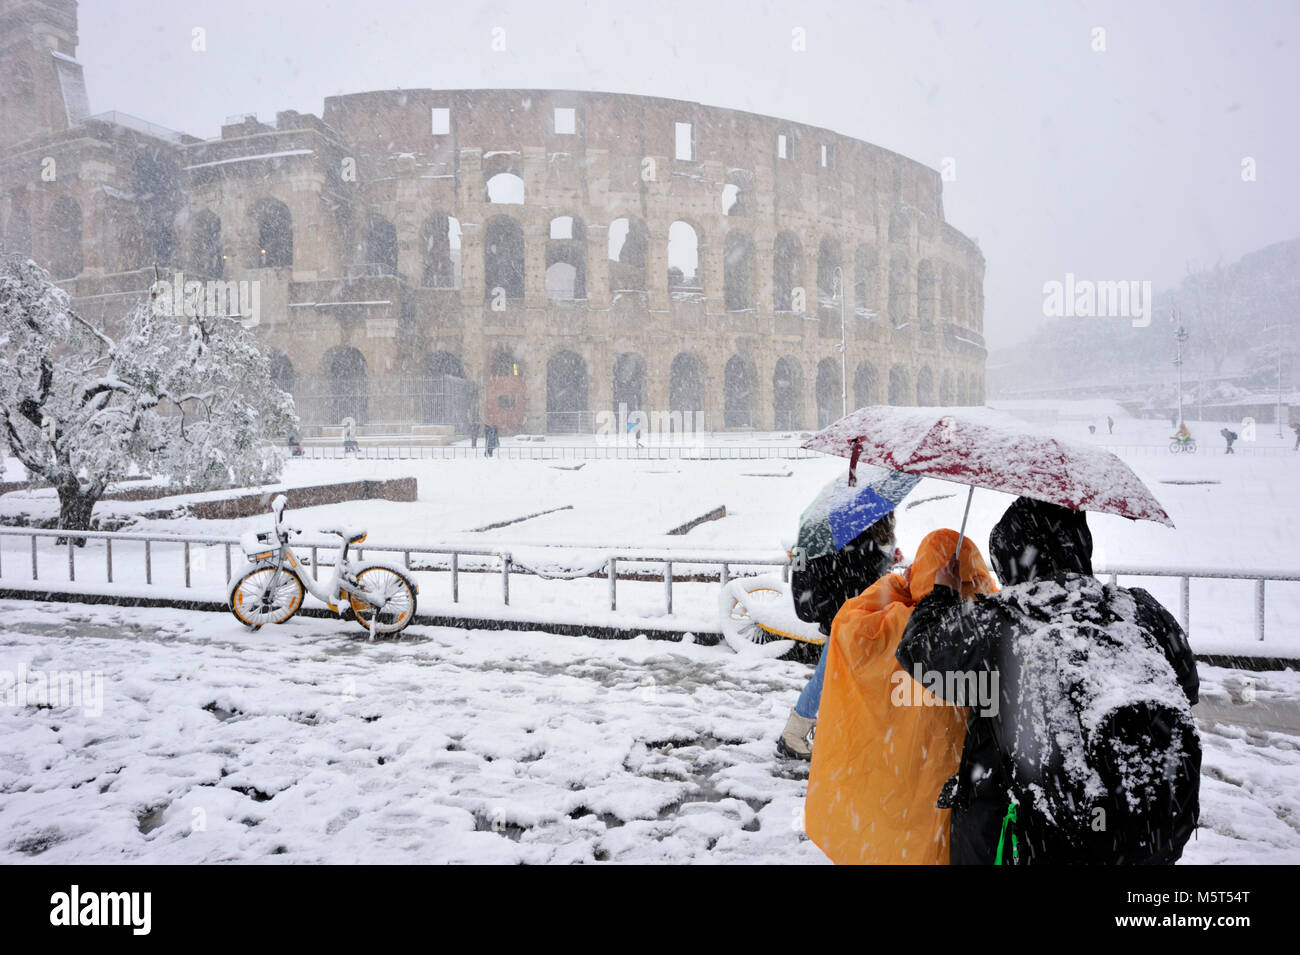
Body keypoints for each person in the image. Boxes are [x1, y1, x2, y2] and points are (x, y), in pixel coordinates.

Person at [897, 497, 1200, 865]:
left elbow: (920, 654)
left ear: (1011, 554)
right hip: (1140, 829)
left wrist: (942, 593)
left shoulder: (1005, 621)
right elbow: (1186, 686)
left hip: (1023, 838)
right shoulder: (1137, 610)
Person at [805, 530, 998, 864]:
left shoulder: (889, 626)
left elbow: (847, 624)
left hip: (888, 796)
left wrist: (904, 584)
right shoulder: (984, 629)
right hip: (953, 804)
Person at [776, 512, 898, 760]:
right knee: (830, 677)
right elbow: (860, 580)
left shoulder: (849, 533)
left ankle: (814, 733)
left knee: (838, 677)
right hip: (851, 620)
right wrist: (882, 564)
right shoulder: (858, 537)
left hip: (847, 618)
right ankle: (795, 734)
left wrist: (884, 561)